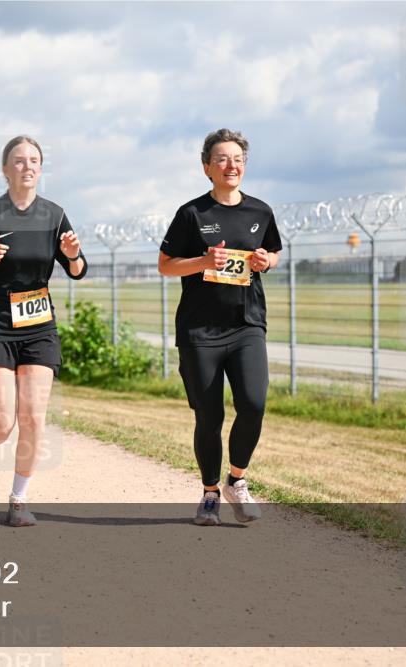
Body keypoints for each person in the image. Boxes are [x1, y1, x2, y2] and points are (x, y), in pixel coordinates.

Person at [0, 135, 88, 527]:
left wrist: (73, 255)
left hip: (38, 323)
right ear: (5, 170)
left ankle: (18, 499)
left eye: (33, 160)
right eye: (18, 160)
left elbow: (78, 270)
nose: (26, 166)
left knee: (33, 418)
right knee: (2, 422)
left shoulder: (55, 214)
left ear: (40, 169)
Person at [158, 128, 282, 526]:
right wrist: (202, 262)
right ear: (207, 167)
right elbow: (165, 265)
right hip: (200, 331)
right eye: (223, 159)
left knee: (254, 403)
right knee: (208, 417)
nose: (232, 165)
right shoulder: (192, 214)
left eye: (238, 159)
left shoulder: (260, 212)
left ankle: (237, 480)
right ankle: (210, 492)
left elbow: (275, 252)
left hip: (246, 325)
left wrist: (267, 261)